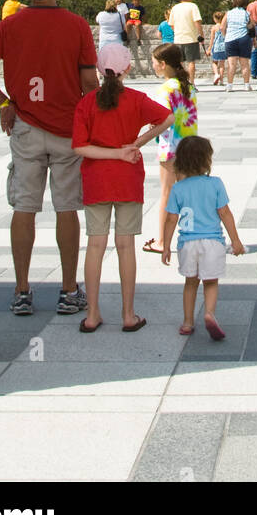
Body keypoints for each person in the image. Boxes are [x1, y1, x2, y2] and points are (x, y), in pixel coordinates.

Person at [0, 0, 97, 318]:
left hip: (25, 126)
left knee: (24, 207)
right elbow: (89, 82)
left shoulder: (11, 25)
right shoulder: (76, 26)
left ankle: (22, 291)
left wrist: (3, 102)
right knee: (67, 207)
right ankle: (69, 291)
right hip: (67, 129)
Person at [72, 44, 172, 332]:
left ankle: (92, 314)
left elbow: (80, 147)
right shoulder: (136, 99)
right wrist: (135, 144)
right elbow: (167, 118)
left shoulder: (86, 103)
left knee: (95, 245)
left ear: (99, 71)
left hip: (96, 180)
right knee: (126, 245)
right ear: (127, 69)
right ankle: (128, 315)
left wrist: (112, 152)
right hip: (127, 179)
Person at [162, 136, 245, 339]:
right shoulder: (215, 184)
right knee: (210, 282)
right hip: (212, 242)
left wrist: (165, 246)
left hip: (187, 243)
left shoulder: (178, 188)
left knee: (190, 283)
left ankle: (188, 322)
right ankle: (209, 314)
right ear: (206, 161)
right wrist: (235, 240)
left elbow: (171, 219)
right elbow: (225, 213)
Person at [142, 43, 198, 255]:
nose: (153, 65)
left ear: (163, 64)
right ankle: (192, 236)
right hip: (190, 145)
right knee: (188, 193)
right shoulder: (189, 86)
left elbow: (162, 119)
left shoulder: (165, 89)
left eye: (155, 62)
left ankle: (162, 240)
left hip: (170, 146)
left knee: (167, 193)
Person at [168, 0, 204, 85]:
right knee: (191, 62)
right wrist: (201, 35)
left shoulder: (175, 8)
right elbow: (197, 21)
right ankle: (191, 83)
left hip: (178, 38)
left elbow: (171, 24)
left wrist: (177, 31)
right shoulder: (193, 6)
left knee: (180, 63)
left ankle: (183, 82)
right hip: (191, 38)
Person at [222, 0, 254, 91]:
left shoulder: (228, 13)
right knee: (244, 64)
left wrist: (226, 36)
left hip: (231, 39)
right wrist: (254, 40)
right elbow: (252, 27)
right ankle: (247, 85)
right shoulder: (247, 13)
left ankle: (229, 85)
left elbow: (222, 27)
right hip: (244, 38)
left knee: (232, 64)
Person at [206, 11, 227, 86]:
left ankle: (216, 74)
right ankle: (221, 80)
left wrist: (209, 48)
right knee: (222, 64)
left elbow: (212, 39)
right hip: (224, 47)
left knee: (214, 62)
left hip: (216, 47)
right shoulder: (224, 27)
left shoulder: (214, 28)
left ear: (215, 19)